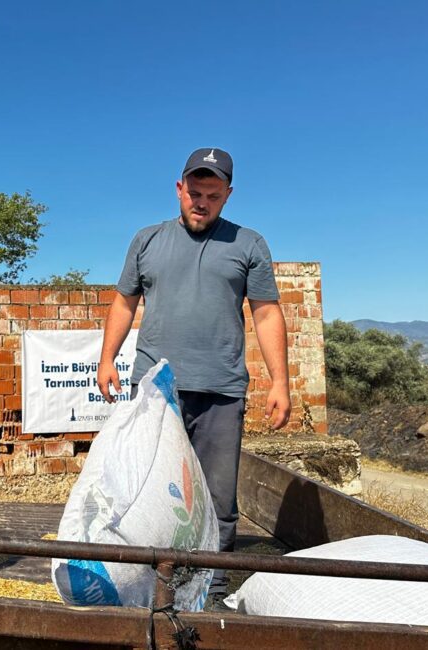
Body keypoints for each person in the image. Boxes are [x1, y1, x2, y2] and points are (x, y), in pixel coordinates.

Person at [96, 147, 290, 611]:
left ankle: (209, 591)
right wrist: (107, 360)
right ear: (179, 188)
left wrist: (280, 381)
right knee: (145, 486)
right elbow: (124, 302)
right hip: (157, 387)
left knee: (217, 497)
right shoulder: (147, 240)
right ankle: (144, 584)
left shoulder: (249, 244)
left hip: (222, 389)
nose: (201, 203)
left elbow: (266, 313)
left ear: (227, 196)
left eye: (213, 195)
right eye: (194, 192)